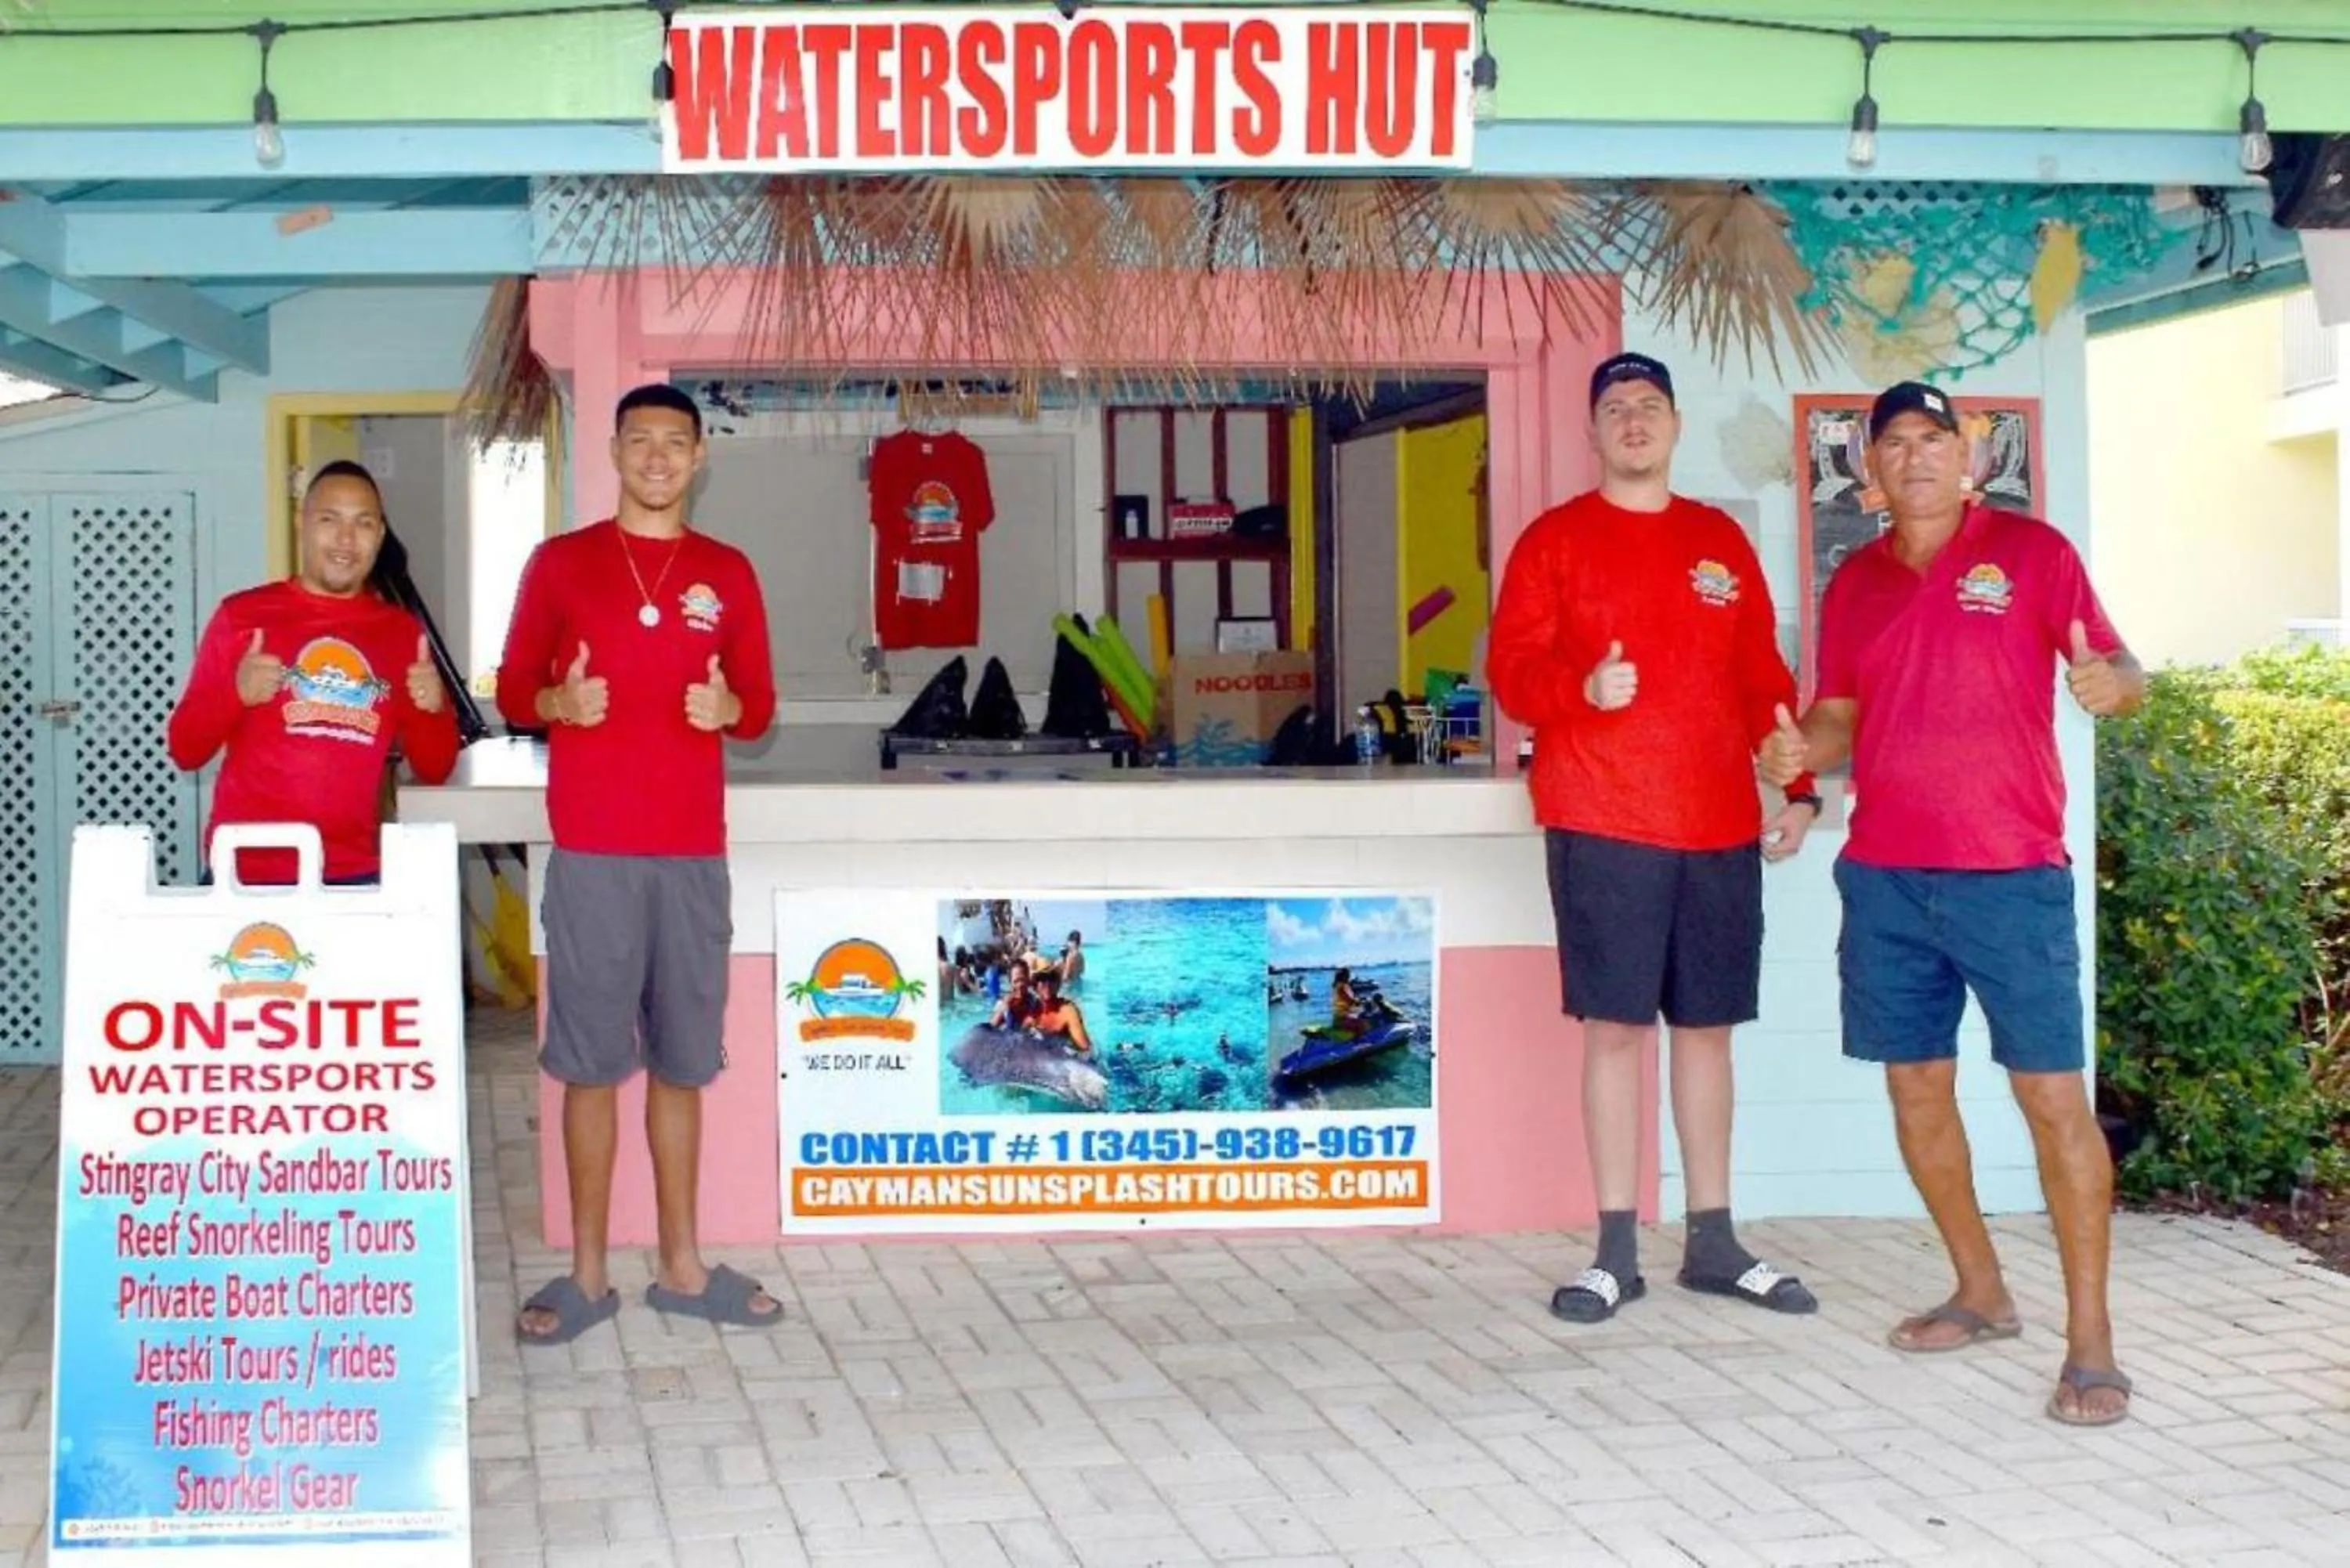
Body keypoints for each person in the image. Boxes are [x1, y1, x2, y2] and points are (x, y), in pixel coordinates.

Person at [1762, 380, 2145, 1426]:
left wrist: (2116, 682)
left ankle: (2092, 1343)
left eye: (1934, 438)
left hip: (2012, 874)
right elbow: (1839, 716)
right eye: (1894, 442)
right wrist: (1797, 748)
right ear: (1870, 470)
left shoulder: (2033, 553)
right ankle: (1981, 1291)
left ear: (1968, 457)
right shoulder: (1856, 581)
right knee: (1917, 1091)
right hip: (1886, 877)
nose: (1916, 455)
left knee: (2053, 1101)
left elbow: (2120, 663)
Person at [1488, 351, 1821, 1326]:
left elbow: (1761, 676)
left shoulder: (1718, 540)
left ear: (1674, 424)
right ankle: (1615, 1252)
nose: (1633, 420)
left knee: (1708, 1032)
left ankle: (1714, 1241)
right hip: (1604, 819)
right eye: (1614, 408)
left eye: (1649, 405)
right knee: (1617, 1030)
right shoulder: (1554, 540)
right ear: (1593, 432)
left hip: (1718, 821)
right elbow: (1511, 671)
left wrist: (1796, 783)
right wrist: (1580, 690)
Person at [498, 383, 779, 1345]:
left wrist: (728, 711)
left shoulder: (728, 571)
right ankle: (586, 1276)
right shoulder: (561, 563)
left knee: (681, 1066)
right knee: (588, 1067)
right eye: (640, 440)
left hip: (691, 856)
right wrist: (557, 703)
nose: (658, 456)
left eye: (675, 441)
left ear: (700, 456)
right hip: (592, 855)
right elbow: (512, 689)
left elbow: (761, 704)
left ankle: (681, 1267)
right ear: (614, 451)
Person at [168, 461, 458, 886]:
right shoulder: (242, 616)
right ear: (301, 525)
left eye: (363, 523)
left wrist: (434, 708)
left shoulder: (400, 633)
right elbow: (184, 748)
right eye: (329, 519)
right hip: (246, 872)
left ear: (379, 536)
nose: (346, 539)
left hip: (350, 873)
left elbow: (435, 768)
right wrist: (235, 694)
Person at [1027, 970, 1094, 1056]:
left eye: (1052, 978)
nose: (1048, 984)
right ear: (1035, 985)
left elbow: (1086, 1050)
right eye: (1042, 979)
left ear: (1058, 984)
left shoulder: (1068, 1011)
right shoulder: (1031, 1011)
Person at [989, 959, 1036, 1030]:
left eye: (1022, 980)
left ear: (1028, 979)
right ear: (1010, 983)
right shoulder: (1003, 1004)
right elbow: (990, 1028)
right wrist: (1004, 1007)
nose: (1020, 985)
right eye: (1016, 981)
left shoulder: (1034, 1003)